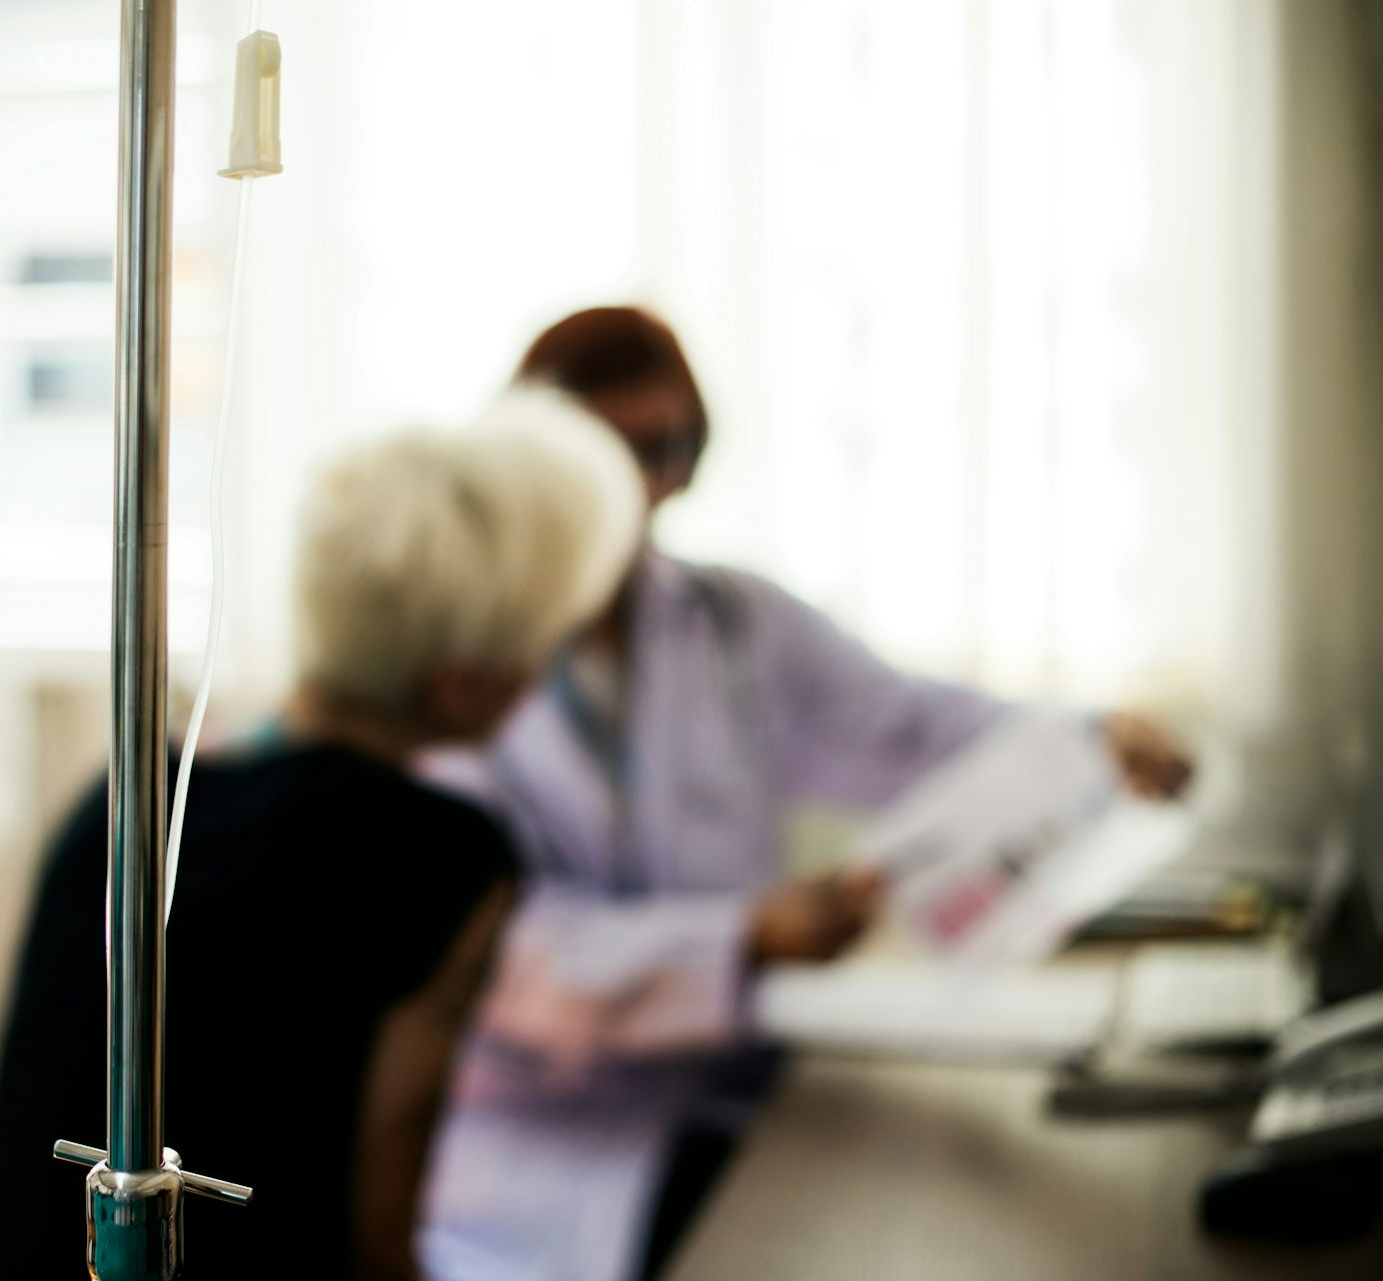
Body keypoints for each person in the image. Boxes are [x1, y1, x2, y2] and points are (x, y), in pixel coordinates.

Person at [417, 307, 1193, 1281]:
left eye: (676, 450)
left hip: (735, 1091)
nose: (657, 486)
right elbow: (496, 954)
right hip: (548, 1148)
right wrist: (744, 936)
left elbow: (910, 729)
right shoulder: (453, 664)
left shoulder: (734, 622)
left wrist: (1092, 740)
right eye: (624, 454)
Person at [0, 391, 646, 1281]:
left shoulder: (128, 793)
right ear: (459, 684)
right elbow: (379, 1217)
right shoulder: (447, 857)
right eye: (540, 646)